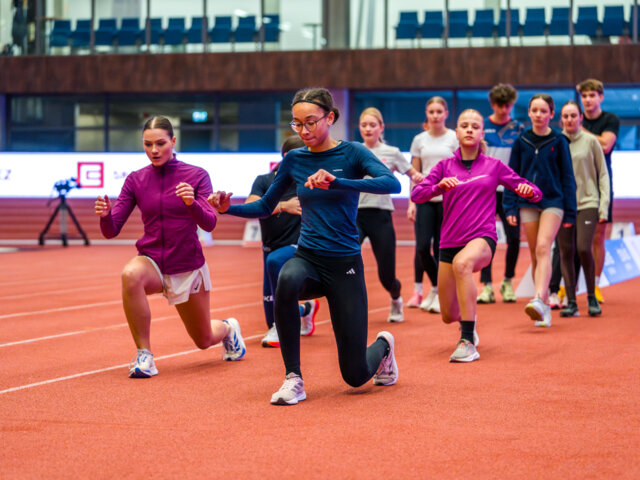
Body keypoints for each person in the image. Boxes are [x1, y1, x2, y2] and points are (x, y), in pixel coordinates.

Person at [209, 88, 400, 405]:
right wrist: (229, 209)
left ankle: (383, 347)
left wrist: (339, 183)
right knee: (286, 277)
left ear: (330, 117)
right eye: (297, 124)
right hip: (309, 257)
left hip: (345, 265)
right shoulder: (295, 159)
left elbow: (392, 183)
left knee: (354, 375)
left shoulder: (352, 153)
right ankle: (293, 378)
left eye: (310, 122)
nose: (304, 130)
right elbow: (265, 206)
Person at [95, 116, 246, 378]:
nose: (154, 150)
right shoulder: (136, 180)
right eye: (148, 144)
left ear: (173, 141)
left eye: (160, 143)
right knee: (131, 274)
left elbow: (209, 223)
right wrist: (106, 216)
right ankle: (144, 355)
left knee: (203, 339)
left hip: (187, 264)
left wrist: (191, 203)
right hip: (152, 261)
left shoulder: (197, 175)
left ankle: (228, 328)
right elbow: (111, 231)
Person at [412, 109, 541, 362]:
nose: (469, 129)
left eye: (474, 126)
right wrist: (438, 187)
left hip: (482, 237)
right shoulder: (444, 166)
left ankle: (467, 341)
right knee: (448, 315)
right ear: (457, 133)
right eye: (464, 126)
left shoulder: (494, 166)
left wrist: (529, 191)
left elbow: (532, 190)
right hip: (450, 242)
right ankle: (468, 318)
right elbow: (417, 195)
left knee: (463, 264)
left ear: (482, 133)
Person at [503, 94, 577, 328]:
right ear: (529, 113)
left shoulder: (559, 141)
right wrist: (510, 206)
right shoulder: (521, 141)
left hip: (553, 201)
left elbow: (568, 177)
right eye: (534, 110)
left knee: (544, 247)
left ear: (551, 114)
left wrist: (571, 212)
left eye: (543, 111)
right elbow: (512, 176)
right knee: (536, 253)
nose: (538, 115)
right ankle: (543, 305)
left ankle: (537, 299)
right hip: (527, 202)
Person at [247, 135, 320, 347]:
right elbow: (251, 206)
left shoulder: (308, 181)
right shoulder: (265, 181)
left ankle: (282, 327)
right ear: (287, 157)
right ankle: (305, 309)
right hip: (270, 247)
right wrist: (283, 206)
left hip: (298, 247)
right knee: (272, 316)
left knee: (275, 261)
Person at [357, 107, 424, 323]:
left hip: (381, 216)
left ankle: (395, 297)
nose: (368, 129)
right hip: (355, 217)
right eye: (364, 125)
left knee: (386, 275)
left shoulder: (392, 152)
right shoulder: (353, 150)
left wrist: (426, 180)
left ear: (381, 128)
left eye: (372, 125)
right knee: (346, 262)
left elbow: (413, 175)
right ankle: (350, 308)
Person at [406, 96, 459, 314]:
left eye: (439, 111)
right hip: (425, 198)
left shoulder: (454, 138)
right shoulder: (419, 140)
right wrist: (411, 202)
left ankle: (440, 293)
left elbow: (459, 168)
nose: (435, 115)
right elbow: (415, 174)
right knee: (421, 247)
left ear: (446, 114)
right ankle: (437, 288)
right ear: (426, 114)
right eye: (431, 112)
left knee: (440, 248)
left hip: (447, 201)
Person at [557, 101, 610, 317]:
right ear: (561, 119)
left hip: (588, 202)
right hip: (562, 205)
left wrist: (603, 206)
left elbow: (603, 174)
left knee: (583, 248)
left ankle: (591, 296)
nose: (569, 120)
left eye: (573, 115)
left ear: (580, 118)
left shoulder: (590, 141)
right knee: (565, 252)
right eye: (565, 116)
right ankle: (571, 302)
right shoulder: (556, 141)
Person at [477, 84, 525, 304]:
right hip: (485, 192)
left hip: (510, 192)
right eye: (500, 105)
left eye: (508, 106)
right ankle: (486, 285)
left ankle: (507, 281)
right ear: (492, 104)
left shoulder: (518, 129)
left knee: (514, 238)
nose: (504, 110)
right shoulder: (482, 127)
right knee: (484, 239)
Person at [577, 79, 620, 304]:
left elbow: (605, 145)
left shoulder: (610, 119)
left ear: (600, 97)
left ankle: (595, 284)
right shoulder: (576, 118)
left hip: (602, 182)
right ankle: (570, 285)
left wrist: (580, 129)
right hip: (577, 184)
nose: (587, 100)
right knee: (573, 236)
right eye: (584, 96)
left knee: (598, 236)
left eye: (592, 95)